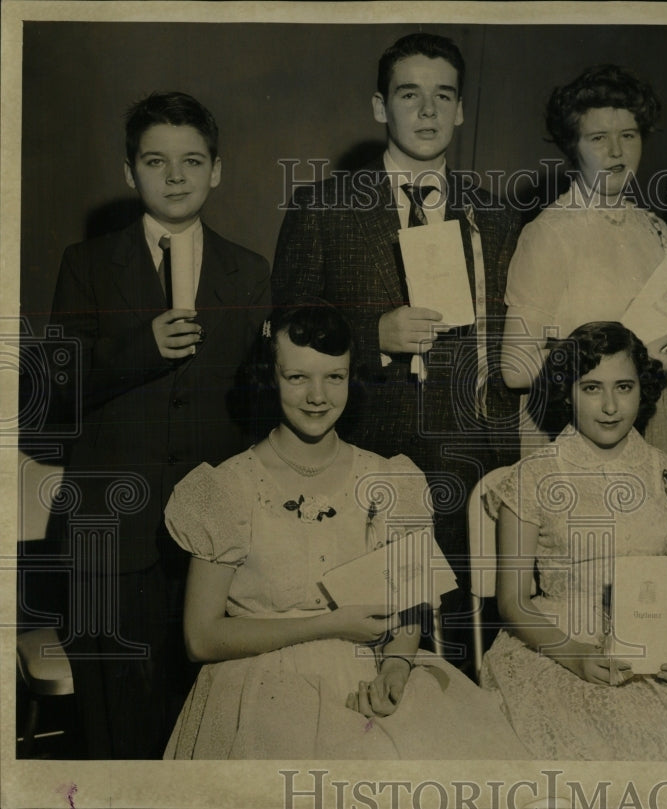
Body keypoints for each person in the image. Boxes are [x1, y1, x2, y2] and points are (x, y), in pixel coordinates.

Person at [162, 302, 529, 759]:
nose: (318, 396)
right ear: (269, 377)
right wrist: (328, 624)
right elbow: (200, 638)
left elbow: (413, 606)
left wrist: (396, 666)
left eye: (334, 377)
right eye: (298, 377)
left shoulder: (392, 480)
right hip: (259, 685)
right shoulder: (227, 489)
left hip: (372, 672)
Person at [47, 91, 270, 758]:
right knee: (114, 729)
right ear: (128, 172)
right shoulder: (86, 266)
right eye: (155, 161)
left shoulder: (249, 270)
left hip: (210, 542)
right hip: (109, 538)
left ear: (217, 170)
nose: (175, 176)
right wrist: (140, 347)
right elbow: (56, 392)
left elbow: (258, 409)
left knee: (203, 724)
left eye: (192, 161)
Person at [272, 33, 521, 620]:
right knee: (364, 639)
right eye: (410, 95)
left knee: (457, 644)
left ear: (461, 109)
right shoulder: (323, 208)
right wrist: (370, 336)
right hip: (356, 454)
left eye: (443, 96)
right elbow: (282, 333)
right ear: (380, 106)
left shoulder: (498, 216)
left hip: (468, 461)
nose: (428, 111)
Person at [481, 321, 667, 761]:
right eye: (592, 388)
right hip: (558, 643)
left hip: (653, 640)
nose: (611, 406)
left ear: (645, 388)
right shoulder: (534, 476)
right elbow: (513, 601)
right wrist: (575, 655)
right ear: (567, 392)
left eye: (624, 386)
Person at [501, 65, 667, 463]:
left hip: (654, 430)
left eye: (628, 135)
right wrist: (631, 360)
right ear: (573, 146)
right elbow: (516, 368)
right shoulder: (549, 233)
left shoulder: (655, 230)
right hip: (573, 433)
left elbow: (666, 363)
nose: (616, 152)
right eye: (598, 138)